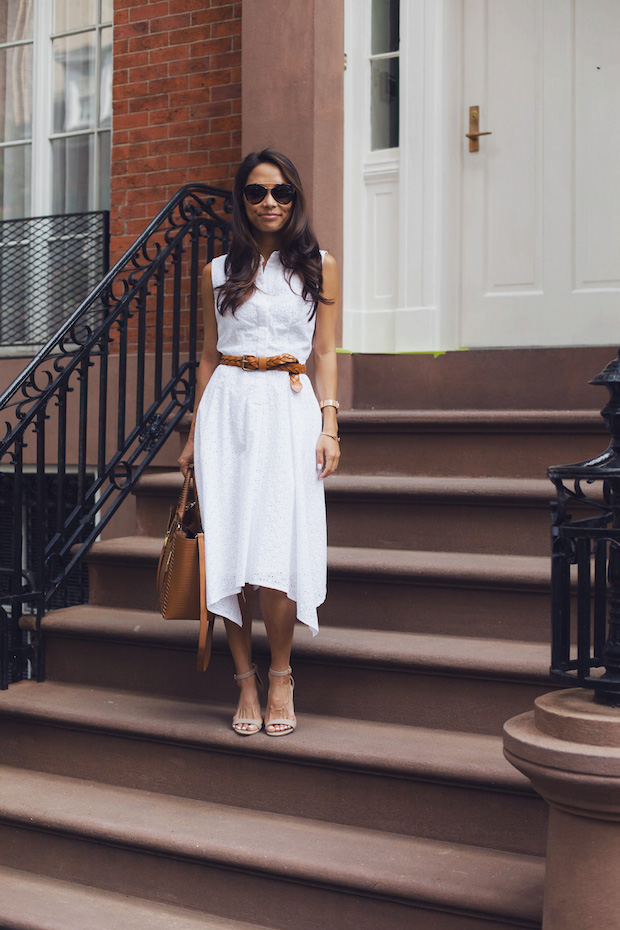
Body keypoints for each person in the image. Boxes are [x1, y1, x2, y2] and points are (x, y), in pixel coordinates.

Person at [178, 149, 339, 737]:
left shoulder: (319, 267)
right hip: (228, 410)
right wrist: (195, 433)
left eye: (281, 192)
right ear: (241, 201)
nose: (270, 202)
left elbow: (323, 353)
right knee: (230, 551)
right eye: (256, 192)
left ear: (294, 199)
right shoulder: (217, 271)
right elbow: (205, 357)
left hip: (289, 409)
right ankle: (243, 680)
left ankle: (280, 675)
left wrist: (330, 425)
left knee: (276, 546)